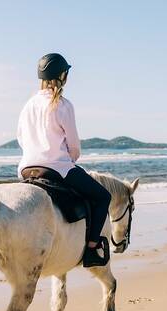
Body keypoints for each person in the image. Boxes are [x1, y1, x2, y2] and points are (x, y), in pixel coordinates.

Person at [17, 53, 111, 267]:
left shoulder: (27, 105)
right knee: (103, 196)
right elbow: (74, 146)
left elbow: (21, 139)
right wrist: (70, 158)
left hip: (26, 169)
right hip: (57, 168)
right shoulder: (63, 105)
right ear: (62, 75)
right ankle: (92, 248)